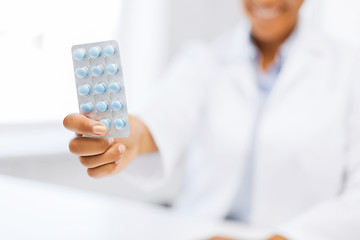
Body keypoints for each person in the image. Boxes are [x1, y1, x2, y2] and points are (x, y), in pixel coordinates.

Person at [63, 0, 360, 239]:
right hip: (199, 231)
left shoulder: (348, 68)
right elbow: (160, 121)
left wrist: (284, 237)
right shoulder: (204, 58)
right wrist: (123, 139)